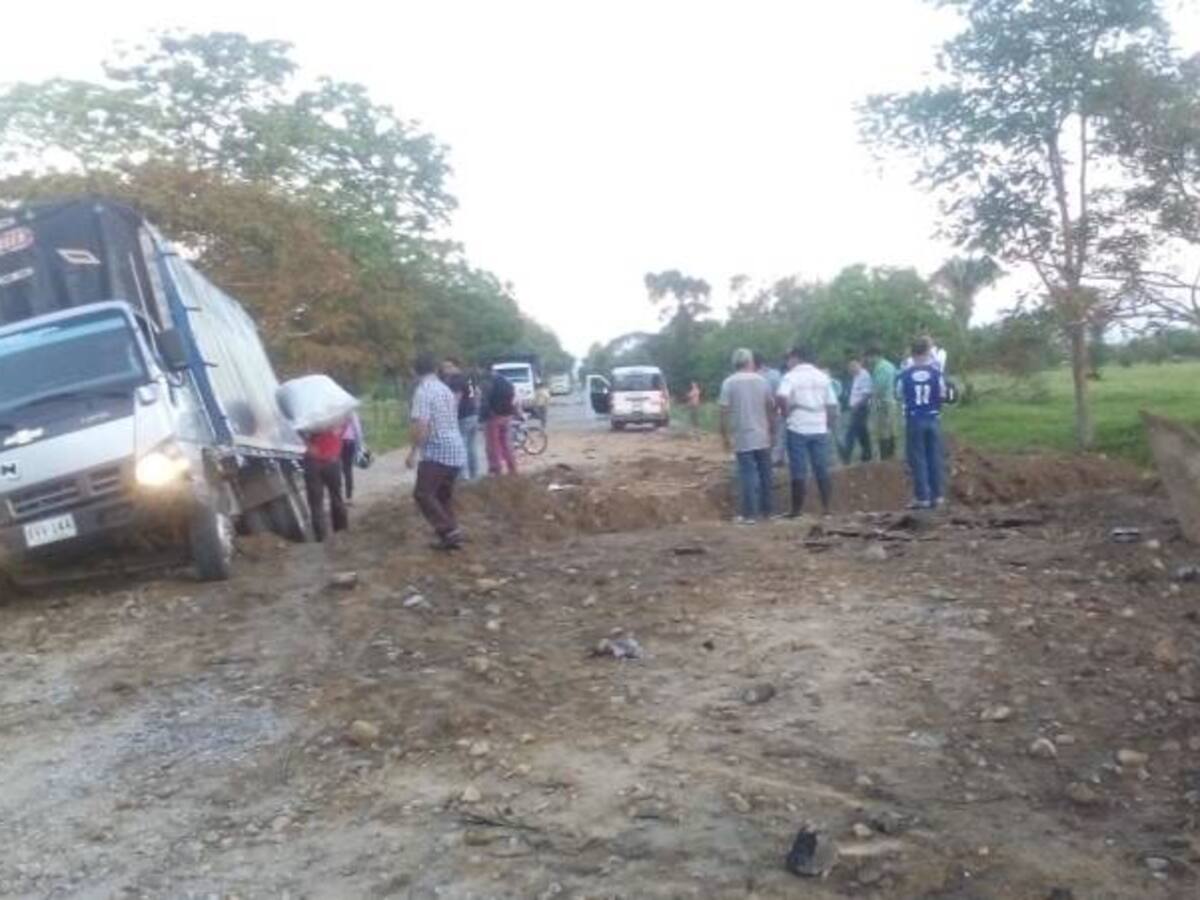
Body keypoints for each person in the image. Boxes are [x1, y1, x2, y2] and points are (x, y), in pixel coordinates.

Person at [407, 352, 468, 549]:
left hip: (437, 451)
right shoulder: (444, 389)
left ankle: (449, 531)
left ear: (414, 371)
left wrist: (413, 452)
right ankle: (451, 535)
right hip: (455, 449)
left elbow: (421, 426)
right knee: (442, 497)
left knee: (423, 494)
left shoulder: (423, 392)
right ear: (435, 369)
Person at [777, 345, 838, 517]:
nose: (788, 362)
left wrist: (785, 413)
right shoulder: (822, 377)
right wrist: (828, 425)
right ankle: (827, 509)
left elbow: (782, 396)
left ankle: (796, 510)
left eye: (789, 359)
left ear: (796, 358)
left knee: (798, 469)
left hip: (797, 426)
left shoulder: (791, 376)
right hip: (819, 426)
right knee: (821, 468)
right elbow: (832, 405)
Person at [718, 348, 777, 524]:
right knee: (766, 473)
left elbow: (723, 411)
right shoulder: (762, 381)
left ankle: (750, 515)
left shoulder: (728, 383)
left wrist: (725, 436)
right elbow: (770, 408)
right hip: (762, 435)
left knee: (748, 474)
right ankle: (768, 512)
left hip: (743, 436)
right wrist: (772, 430)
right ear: (750, 362)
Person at [897, 337, 949, 509]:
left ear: (912, 353)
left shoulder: (904, 374)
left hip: (914, 418)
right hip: (933, 417)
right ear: (927, 352)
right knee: (934, 456)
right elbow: (943, 395)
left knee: (918, 458)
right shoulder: (936, 372)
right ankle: (938, 496)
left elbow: (898, 394)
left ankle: (923, 497)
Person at [303, 424, 349, 542]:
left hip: (312, 462)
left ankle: (322, 539)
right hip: (332, 460)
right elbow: (342, 427)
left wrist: (307, 442)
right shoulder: (335, 414)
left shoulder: (304, 415)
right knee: (336, 497)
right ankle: (342, 532)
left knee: (316, 503)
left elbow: (295, 431)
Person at [442, 359, 480, 481]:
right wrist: (476, 409)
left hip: (462, 417)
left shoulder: (455, 381)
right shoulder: (468, 378)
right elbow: (476, 393)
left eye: (448, 367)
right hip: (473, 415)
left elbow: (456, 399)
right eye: (444, 368)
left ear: (455, 366)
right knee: (471, 446)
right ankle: (475, 475)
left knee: (460, 447)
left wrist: (449, 416)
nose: (445, 370)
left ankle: (463, 477)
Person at [866, 344, 898, 460]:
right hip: (891, 400)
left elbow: (878, 388)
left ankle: (886, 456)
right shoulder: (891, 366)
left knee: (883, 431)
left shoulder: (880, 368)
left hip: (884, 403)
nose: (868, 360)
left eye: (869, 357)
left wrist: (872, 403)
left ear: (874, 356)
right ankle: (892, 454)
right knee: (891, 429)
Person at [754, 351, 786, 467]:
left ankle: (770, 460)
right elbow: (781, 393)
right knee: (778, 435)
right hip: (775, 410)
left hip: (761, 412)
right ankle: (777, 459)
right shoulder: (775, 374)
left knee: (768, 436)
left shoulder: (754, 376)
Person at [839, 356, 873, 463]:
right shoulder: (855, 376)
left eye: (854, 365)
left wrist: (856, 406)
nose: (851, 368)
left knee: (851, 431)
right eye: (850, 366)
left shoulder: (864, 375)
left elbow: (867, 394)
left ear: (860, 364)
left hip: (861, 408)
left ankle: (846, 455)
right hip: (855, 407)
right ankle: (867, 454)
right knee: (862, 432)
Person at [484, 371, 518, 475]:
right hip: (507, 416)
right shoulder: (507, 383)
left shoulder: (490, 383)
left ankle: (497, 470)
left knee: (494, 445)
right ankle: (512, 469)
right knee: (506, 444)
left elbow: (486, 400)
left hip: (494, 417)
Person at [340, 411, 364, 504]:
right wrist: (360, 444)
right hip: (349, 442)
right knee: (347, 470)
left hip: (337, 442)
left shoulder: (334, 412)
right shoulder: (350, 412)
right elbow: (357, 429)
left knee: (337, 469)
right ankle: (349, 497)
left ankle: (338, 497)